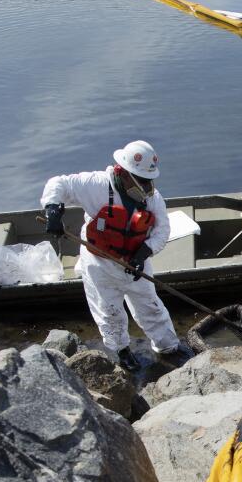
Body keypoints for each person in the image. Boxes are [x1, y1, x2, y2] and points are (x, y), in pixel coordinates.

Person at [41, 140, 184, 368]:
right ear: (123, 172)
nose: (146, 186)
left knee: (151, 308)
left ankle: (168, 348)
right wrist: (53, 209)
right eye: (141, 180)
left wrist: (144, 252)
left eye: (149, 181)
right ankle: (122, 351)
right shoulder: (96, 185)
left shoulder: (153, 199)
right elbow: (59, 184)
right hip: (100, 264)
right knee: (109, 312)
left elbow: (162, 230)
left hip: (135, 263)